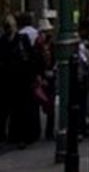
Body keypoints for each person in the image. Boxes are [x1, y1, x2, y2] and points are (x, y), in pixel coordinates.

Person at [9, 12, 42, 148]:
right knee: (28, 107)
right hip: (25, 79)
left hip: (18, 79)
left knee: (19, 108)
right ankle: (29, 133)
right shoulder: (32, 36)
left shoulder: (19, 37)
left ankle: (18, 135)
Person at [35, 17, 56, 140]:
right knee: (41, 101)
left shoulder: (51, 45)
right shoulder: (37, 45)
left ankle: (49, 131)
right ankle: (39, 130)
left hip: (50, 77)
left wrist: (53, 70)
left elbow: (54, 59)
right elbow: (36, 61)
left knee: (51, 104)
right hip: (41, 77)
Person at [0, 14, 18, 143]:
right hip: (7, 80)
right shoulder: (4, 41)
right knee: (6, 109)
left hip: (12, 79)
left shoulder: (18, 40)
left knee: (10, 109)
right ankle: (6, 133)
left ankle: (11, 133)